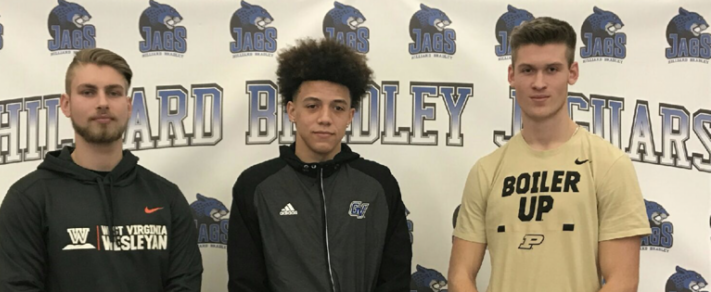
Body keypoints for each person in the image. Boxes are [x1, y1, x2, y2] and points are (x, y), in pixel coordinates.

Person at [449, 17, 651, 292]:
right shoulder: (487, 170)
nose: (539, 83)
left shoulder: (608, 165)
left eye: (552, 69)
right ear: (512, 75)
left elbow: (622, 281)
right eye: (528, 70)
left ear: (572, 72)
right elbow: (460, 274)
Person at [0, 48, 203, 292]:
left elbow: (185, 285)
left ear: (128, 105)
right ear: (66, 104)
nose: (102, 103)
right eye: (88, 92)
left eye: (113, 93)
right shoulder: (29, 199)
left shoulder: (166, 198)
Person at [227, 37, 412, 292]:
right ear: (292, 111)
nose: (325, 118)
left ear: (350, 116)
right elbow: (245, 283)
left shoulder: (378, 184)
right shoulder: (256, 186)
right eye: (313, 106)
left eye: (337, 107)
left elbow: (395, 279)